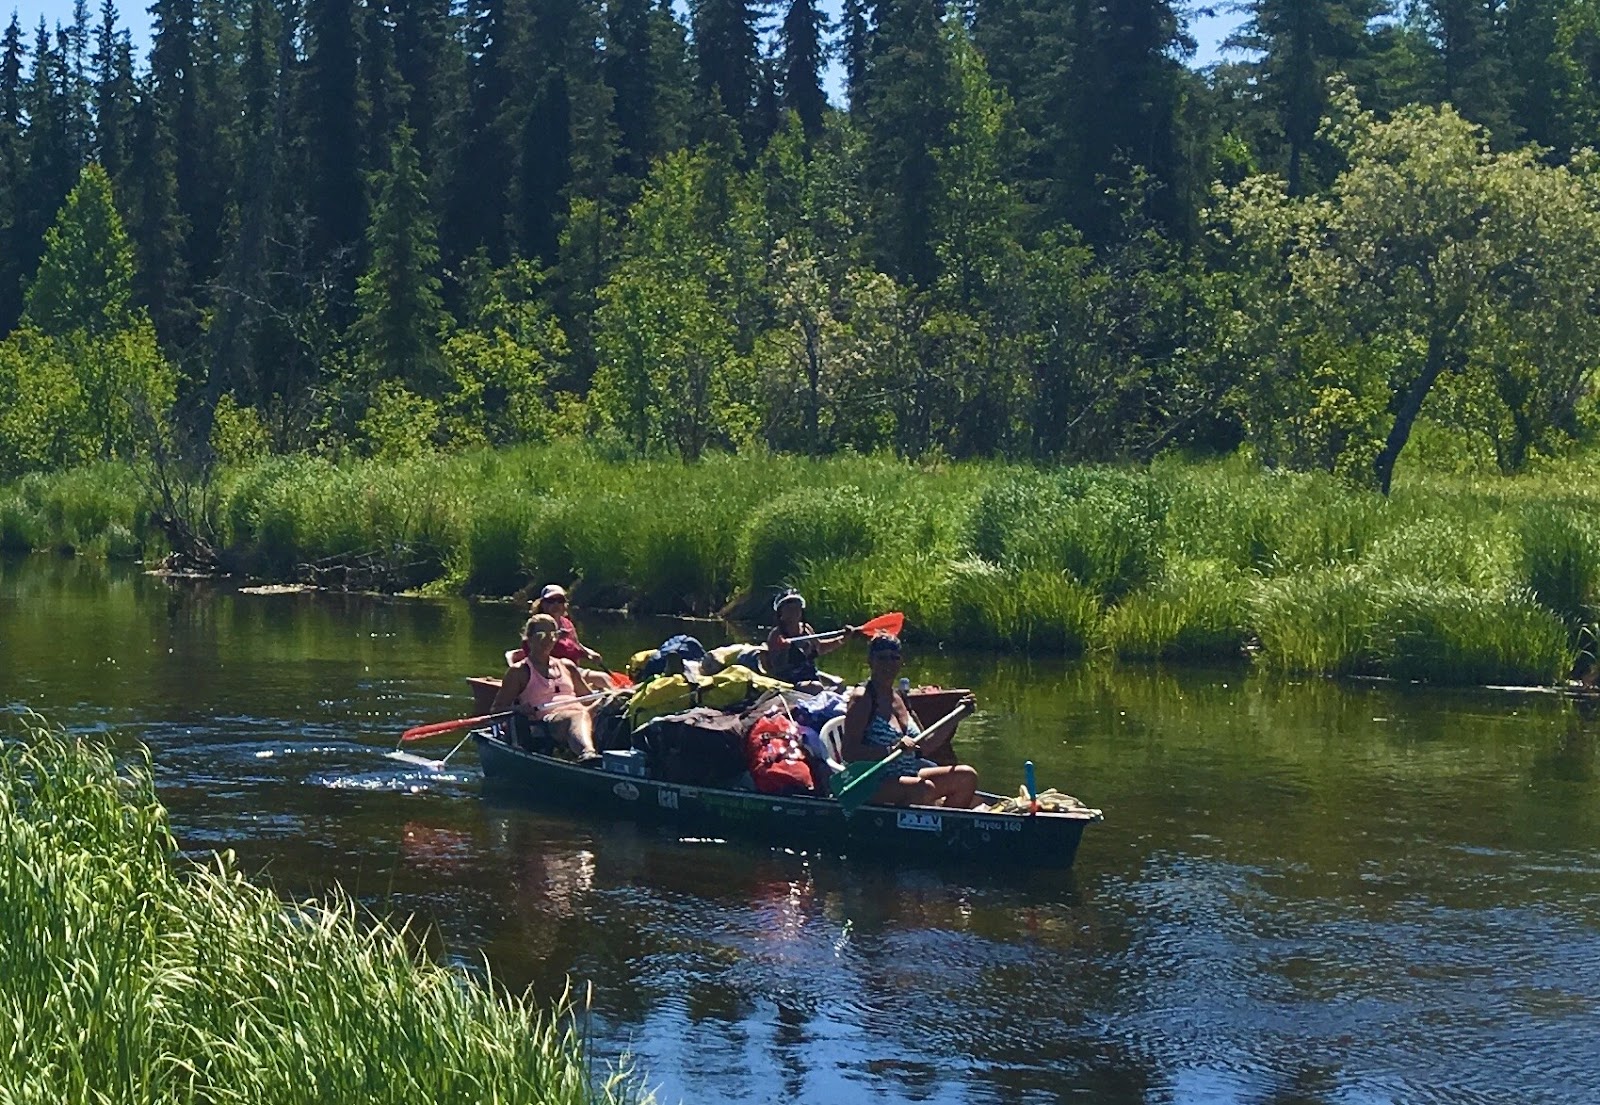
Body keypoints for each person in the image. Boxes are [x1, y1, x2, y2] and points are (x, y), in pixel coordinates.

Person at [838, 633, 979, 808]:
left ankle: (947, 828)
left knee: (966, 776)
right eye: (882, 658)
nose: (888, 664)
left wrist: (956, 715)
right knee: (923, 789)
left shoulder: (900, 697)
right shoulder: (863, 699)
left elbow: (925, 746)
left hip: (908, 773)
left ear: (900, 662)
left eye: (894, 658)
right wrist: (890, 750)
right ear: (870, 661)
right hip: (871, 780)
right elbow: (849, 753)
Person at [491, 614, 605, 763]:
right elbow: (496, 710)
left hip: (580, 713)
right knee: (578, 715)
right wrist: (518, 709)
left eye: (553, 634)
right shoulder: (519, 671)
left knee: (614, 708)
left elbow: (588, 698)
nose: (547, 639)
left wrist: (607, 698)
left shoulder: (567, 666)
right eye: (541, 634)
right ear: (529, 639)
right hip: (548, 722)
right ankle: (587, 753)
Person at [518, 584, 616, 690]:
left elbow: (576, 644)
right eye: (551, 600)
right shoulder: (538, 623)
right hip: (550, 672)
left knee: (605, 679)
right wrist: (555, 637)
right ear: (543, 604)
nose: (556, 604)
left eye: (560, 600)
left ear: (565, 604)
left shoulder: (566, 623)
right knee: (601, 678)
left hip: (573, 670)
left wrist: (589, 653)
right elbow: (534, 648)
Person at [764, 589, 849, 690]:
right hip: (789, 681)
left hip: (810, 673)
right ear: (781, 613)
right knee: (816, 687)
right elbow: (777, 668)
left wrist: (843, 639)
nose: (794, 612)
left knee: (838, 684)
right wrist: (784, 650)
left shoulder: (807, 628)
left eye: (797, 608)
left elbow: (820, 648)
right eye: (790, 609)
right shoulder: (776, 635)